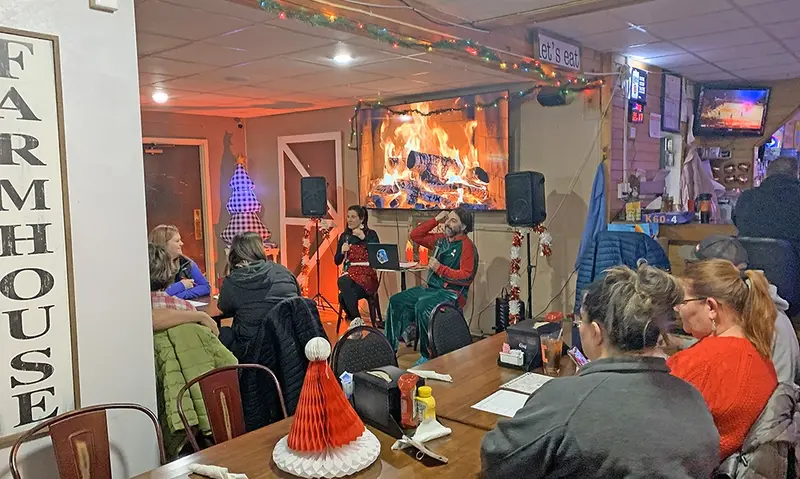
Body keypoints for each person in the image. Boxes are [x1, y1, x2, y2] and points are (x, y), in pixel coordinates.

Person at [481, 263, 720, 478]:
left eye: (580, 322)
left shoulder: (565, 399)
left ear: (596, 332)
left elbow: (496, 460)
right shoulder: (693, 398)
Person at [669, 259, 778, 460]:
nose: (677, 309)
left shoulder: (703, 362)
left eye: (683, 302)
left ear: (711, 307)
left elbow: (652, 425)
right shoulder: (760, 353)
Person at [148, 243, 236, 457]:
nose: (181, 244)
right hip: (200, 397)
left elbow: (203, 286)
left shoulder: (131, 311)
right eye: (176, 240)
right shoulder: (184, 309)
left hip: (157, 401)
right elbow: (228, 361)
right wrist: (200, 315)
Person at [684, 235, 800, 385]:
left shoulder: (772, 322)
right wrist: (678, 342)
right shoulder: (732, 311)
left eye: (698, 273)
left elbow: (781, 395)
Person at [385, 207, 477, 365]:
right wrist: (436, 220)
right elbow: (415, 235)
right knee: (396, 301)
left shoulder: (467, 246)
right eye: (448, 219)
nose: (448, 223)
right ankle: (388, 349)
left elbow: (467, 276)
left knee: (423, 305)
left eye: (453, 221)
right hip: (430, 289)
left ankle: (428, 356)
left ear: (464, 227)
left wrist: (440, 269)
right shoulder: (440, 240)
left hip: (450, 293)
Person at [217, 231, 300, 354]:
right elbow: (298, 300)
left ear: (234, 253)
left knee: (223, 333)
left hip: (252, 351)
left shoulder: (234, 281)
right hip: (288, 347)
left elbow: (224, 307)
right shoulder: (284, 272)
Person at [733, 155, 800, 255]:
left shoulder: (746, 197)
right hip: (793, 264)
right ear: (796, 174)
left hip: (749, 264)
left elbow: (736, 222)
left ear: (767, 174)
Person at [335, 205, 380, 329]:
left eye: (353, 217)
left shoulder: (371, 234)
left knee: (343, 295)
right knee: (343, 284)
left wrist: (363, 238)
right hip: (350, 275)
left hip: (367, 275)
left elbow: (378, 256)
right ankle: (358, 320)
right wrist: (342, 252)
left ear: (361, 219)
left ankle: (355, 321)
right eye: (348, 217)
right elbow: (337, 261)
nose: (349, 220)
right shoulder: (345, 237)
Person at [149, 224, 211, 299]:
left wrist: (180, 296)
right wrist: (182, 285)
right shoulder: (152, 266)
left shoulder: (186, 263)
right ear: (164, 244)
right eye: (177, 241)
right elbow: (156, 294)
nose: (182, 243)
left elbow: (206, 287)